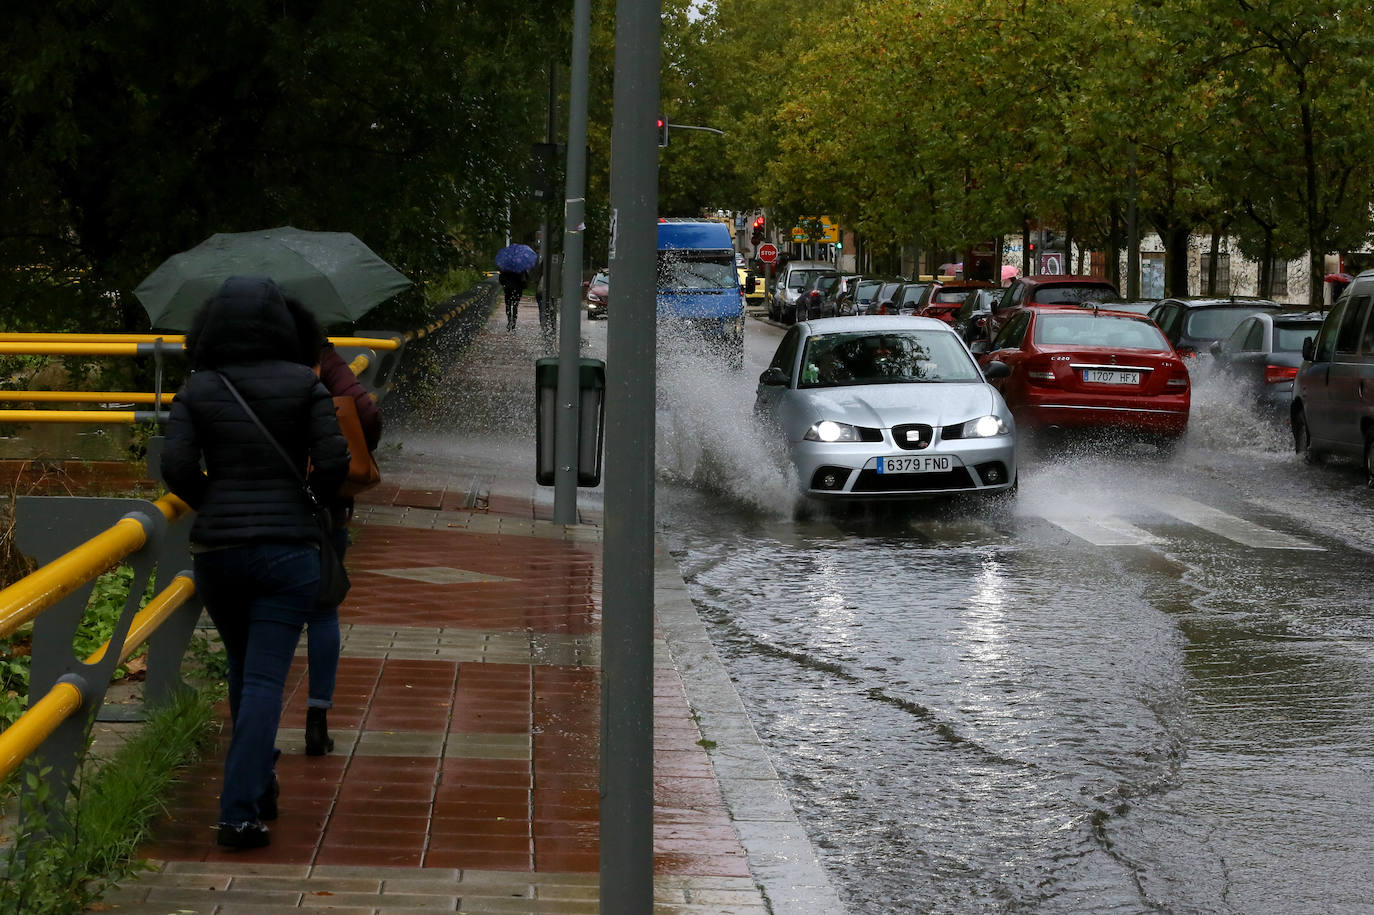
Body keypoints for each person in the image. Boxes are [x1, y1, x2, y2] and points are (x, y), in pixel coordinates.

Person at [162, 276, 349, 850]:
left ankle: (259, 781)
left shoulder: (200, 389)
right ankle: (238, 811)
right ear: (286, 326)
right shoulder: (304, 384)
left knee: (242, 670)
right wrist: (305, 494)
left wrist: (212, 502)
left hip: (219, 553)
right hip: (289, 550)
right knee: (265, 677)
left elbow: (175, 466)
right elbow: (336, 462)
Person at [283, 296, 383, 757]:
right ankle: (317, 718)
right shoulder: (324, 361)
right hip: (326, 507)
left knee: (268, 618)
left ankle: (257, 727)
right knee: (323, 610)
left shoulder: (243, 365)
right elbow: (365, 413)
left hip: (264, 508)